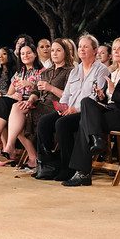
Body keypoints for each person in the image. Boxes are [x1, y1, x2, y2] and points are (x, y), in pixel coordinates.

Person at [63, 37, 120, 186]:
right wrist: (102, 96)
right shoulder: (112, 72)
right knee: (87, 102)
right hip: (110, 113)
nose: (116, 51)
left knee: (84, 123)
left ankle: (83, 172)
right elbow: (107, 101)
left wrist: (114, 94)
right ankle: (96, 139)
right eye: (114, 48)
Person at [36, 34, 110, 181]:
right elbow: (67, 94)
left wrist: (74, 110)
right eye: (80, 46)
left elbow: (94, 97)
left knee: (62, 124)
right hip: (69, 109)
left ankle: (67, 168)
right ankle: (49, 165)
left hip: (86, 113)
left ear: (95, 50)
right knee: (44, 122)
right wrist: (61, 107)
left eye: (86, 46)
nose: (81, 49)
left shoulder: (101, 70)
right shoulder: (76, 70)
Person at [0, 45, 39, 165]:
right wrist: (13, 96)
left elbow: (41, 92)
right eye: (22, 54)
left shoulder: (41, 71)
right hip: (18, 101)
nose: (25, 56)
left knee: (14, 114)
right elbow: (9, 93)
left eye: (28, 53)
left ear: (35, 54)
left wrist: (31, 85)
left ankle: (7, 147)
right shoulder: (19, 73)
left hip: (32, 102)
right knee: (1, 100)